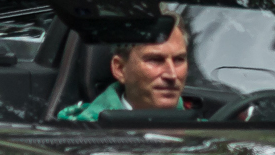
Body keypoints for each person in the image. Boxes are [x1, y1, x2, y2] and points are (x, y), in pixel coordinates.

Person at [57, 16, 189, 120]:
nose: (172, 75)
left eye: (179, 59)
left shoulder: (205, 135)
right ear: (120, 69)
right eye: (155, 60)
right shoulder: (78, 136)